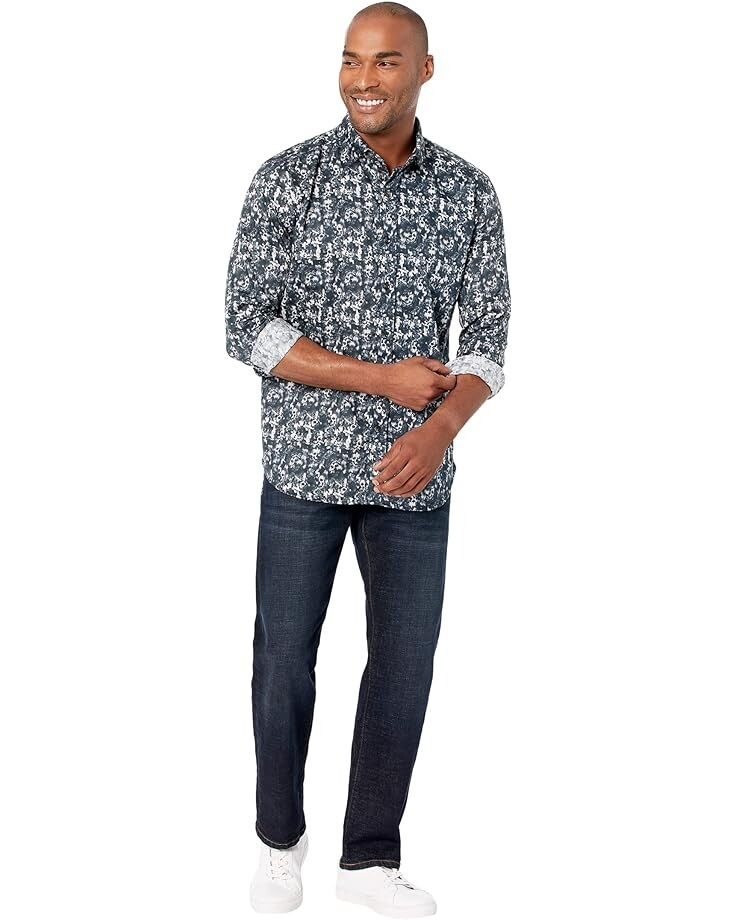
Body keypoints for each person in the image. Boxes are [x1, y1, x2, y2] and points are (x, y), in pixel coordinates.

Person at [225, 3, 511, 915]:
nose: (364, 79)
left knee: (403, 666)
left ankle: (370, 858)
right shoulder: (288, 178)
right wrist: (379, 380)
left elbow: (489, 342)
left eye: (386, 61)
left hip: (414, 477)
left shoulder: (468, 193)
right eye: (352, 60)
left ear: (425, 70)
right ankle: (280, 842)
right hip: (303, 468)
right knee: (283, 662)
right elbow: (247, 328)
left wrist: (440, 430)